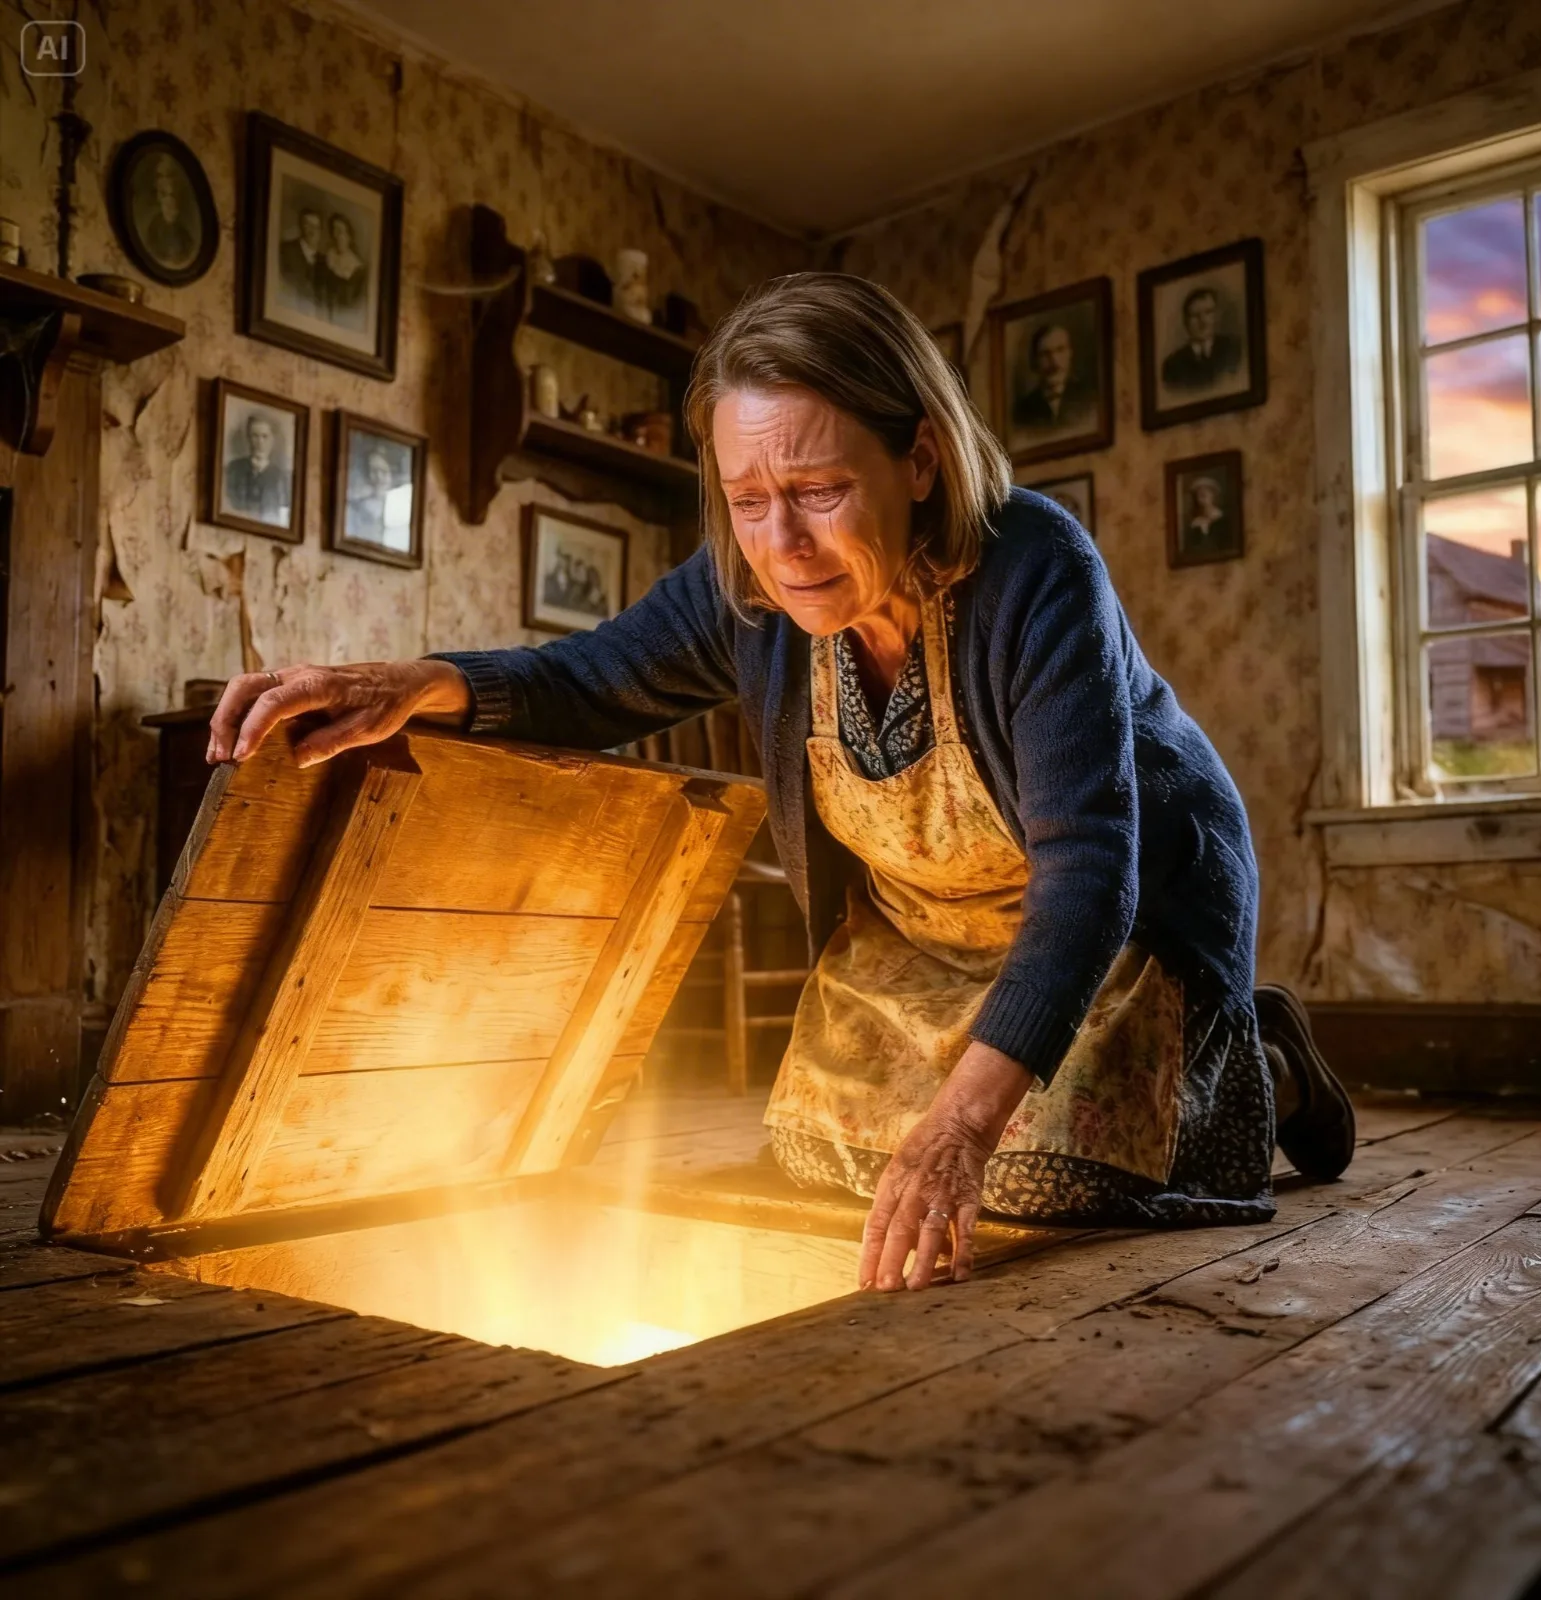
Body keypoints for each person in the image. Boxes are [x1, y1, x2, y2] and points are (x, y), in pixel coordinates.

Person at [206, 272, 1354, 1294]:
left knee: (1044, 1175)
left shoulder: (1033, 566)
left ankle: (1264, 1068)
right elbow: (589, 679)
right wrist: (414, 683)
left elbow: (1091, 870)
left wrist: (959, 1123)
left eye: (815, 490)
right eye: (748, 501)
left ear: (919, 459)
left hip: (1113, 924)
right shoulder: (749, 589)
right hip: (924, 937)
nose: (782, 543)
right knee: (818, 1155)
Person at [1012, 321, 1095, 433]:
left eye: (1060, 350)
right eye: (1045, 354)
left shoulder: (1089, 397)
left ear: (1070, 353)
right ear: (1034, 361)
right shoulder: (1023, 411)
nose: (1054, 361)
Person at [1161, 286, 1242, 393]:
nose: (1203, 322)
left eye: (1208, 312)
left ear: (1216, 316)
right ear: (1186, 322)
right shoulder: (1172, 365)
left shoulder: (1233, 348)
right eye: (1195, 316)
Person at [224, 413, 290, 527]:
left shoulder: (281, 477)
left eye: (265, 436)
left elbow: (283, 516)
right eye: (255, 436)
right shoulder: (233, 469)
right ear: (248, 438)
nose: (260, 442)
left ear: (272, 440)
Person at [143, 154, 195, 268]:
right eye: (160, 176)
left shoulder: (187, 236)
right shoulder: (152, 231)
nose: (165, 182)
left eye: (170, 175)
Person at [317, 212, 367, 322]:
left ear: (349, 236)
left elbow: (354, 305)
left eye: (340, 231)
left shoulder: (358, 269)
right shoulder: (324, 259)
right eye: (334, 230)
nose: (337, 236)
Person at [279, 207, 324, 313]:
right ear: (301, 227)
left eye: (316, 227)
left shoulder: (324, 262)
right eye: (308, 225)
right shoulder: (286, 250)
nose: (312, 231)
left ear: (320, 231)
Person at [1183, 476, 1235, 558]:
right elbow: (1190, 551)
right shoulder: (1194, 524)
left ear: (1213, 495)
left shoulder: (1223, 519)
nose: (1202, 497)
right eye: (1199, 494)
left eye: (1205, 493)